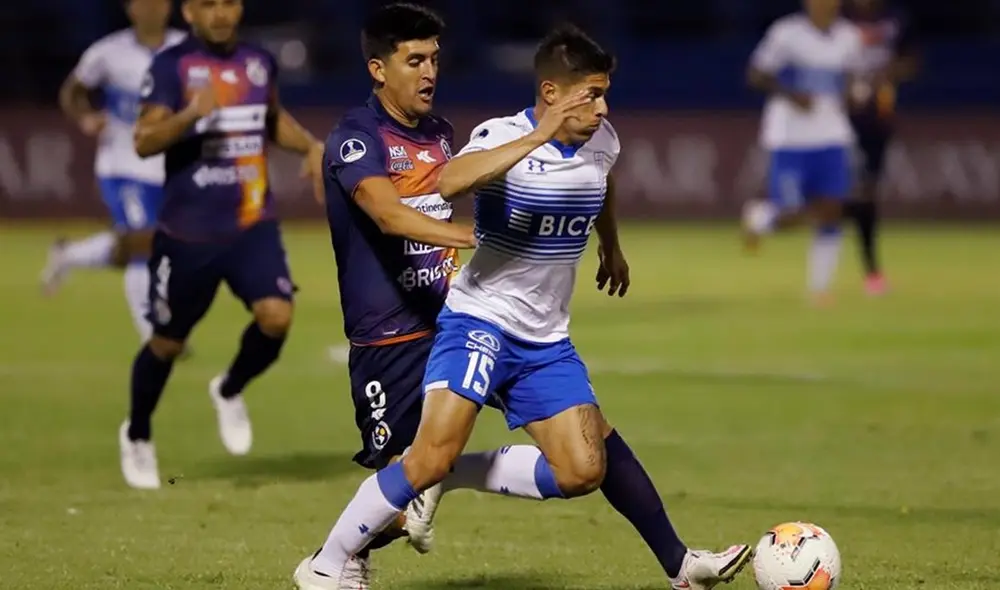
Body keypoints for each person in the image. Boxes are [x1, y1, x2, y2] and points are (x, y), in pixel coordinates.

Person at [295, 24, 751, 590]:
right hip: (478, 319)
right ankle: (325, 564)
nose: (603, 106)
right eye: (592, 94)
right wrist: (540, 137)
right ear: (552, 93)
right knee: (425, 458)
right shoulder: (501, 134)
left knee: (584, 468)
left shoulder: (604, 139)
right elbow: (452, 178)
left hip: (545, 339)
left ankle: (679, 569)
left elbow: (600, 180)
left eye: (606, 92)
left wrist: (610, 245)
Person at [119, 0, 325, 490]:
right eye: (208, 4)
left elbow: (270, 119)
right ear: (189, 12)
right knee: (168, 343)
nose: (221, 14)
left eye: (229, 2)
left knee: (277, 317)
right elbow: (144, 140)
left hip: (252, 223)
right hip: (187, 235)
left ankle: (229, 389)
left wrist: (311, 146)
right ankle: (138, 432)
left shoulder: (258, 62)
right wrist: (193, 112)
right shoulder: (171, 67)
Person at [317, 1, 478, 578]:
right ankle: (344, 555)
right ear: (378, 69)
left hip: (449, 322)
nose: (430, 71)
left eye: (434, 58)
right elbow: (388, 215)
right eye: (414, 60)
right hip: (386, 337)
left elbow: (453, 193)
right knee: (391, 497)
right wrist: (466, 233)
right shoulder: (356, 138)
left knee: (563, 435)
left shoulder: (439, 134)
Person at [43, 0, 185, 346]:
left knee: (150, 243)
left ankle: (69, 255)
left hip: (169, 164)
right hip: (122, 164)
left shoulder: (187, 48)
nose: (152, 7)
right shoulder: (108, 53)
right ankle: (153, 334)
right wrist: (85, 117)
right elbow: (72, 90)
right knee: (143, 243)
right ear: (130, 8)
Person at [743, 0, 864, 305]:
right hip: (790, 137)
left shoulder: (849, 36)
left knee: (833, 209)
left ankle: (819, 288)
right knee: (793, 213)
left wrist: (854, 95)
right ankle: (761, 218)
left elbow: (851, 80)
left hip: (833, 134)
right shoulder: (786, 34)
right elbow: (756, 74)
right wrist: (789, 93)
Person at [843, 0, 919, 295]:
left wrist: (885, 75)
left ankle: (871, 271)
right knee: (841, 192)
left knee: (866, 193)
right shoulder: (838, 18)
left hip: (876, 119)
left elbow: (911, 61)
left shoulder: (895, 18)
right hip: (838, 119)